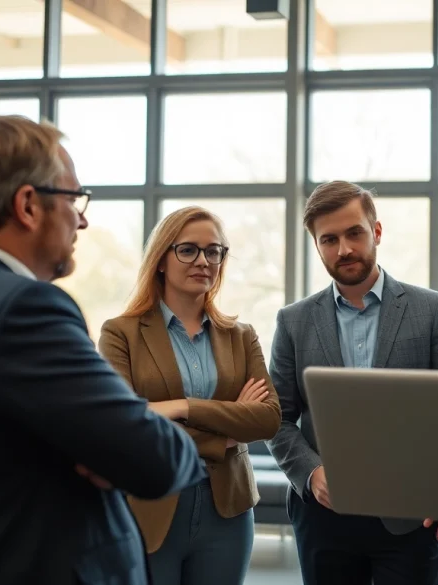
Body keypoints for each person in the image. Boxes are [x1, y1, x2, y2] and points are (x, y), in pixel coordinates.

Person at [0, 114, 207, 584]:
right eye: (74, 198)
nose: (82, 218)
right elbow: (155, 461)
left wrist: (99, 435)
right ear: (28, 206)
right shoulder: (24, 310)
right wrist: (118, 433)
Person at [267, 180, 438, 585]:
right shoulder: (293, 321)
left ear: (376, 231)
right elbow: (277, 419)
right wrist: (312, 473)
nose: (344, 249)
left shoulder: (430, 310)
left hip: (412, 516)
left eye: (354, 233)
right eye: (329, 239)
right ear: (316, 245)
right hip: (323, 517)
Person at [98, 206, 282, 585]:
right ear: (162, 259)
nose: (203, 261)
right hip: (150, 506)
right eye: (188, 250)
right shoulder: (121, 333)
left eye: (213, 251)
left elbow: (267, 418)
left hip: (228, 512)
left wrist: (181, 408)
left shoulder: (240, 335)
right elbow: (124, 427)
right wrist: (227, 429)